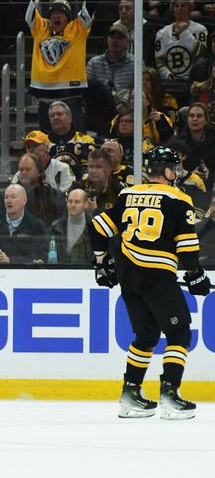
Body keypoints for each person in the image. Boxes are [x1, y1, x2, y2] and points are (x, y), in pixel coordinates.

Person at [90, 146, 209, 420]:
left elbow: (98, 228)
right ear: (168, 171)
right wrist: (195, 274)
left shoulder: (128, 194)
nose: (176, 172)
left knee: (146, 335)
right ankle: (170, 394)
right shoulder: (178, 198)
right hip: (157, 276)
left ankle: (130, 394)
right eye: (174, 168)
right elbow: (187, 244)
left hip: (128, 276)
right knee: (179, 334)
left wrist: (101, 263)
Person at [5, 0, 108, 131]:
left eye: (61, 13)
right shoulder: (40, 27)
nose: (56, 16)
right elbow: (22, 1)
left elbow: (92, 0)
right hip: (44, 98)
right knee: (45, 145)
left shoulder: (77, 28)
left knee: (75, 142)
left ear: (68, 17)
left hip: (71, 97)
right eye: (53, 12)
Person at [155, 0, 208, 87]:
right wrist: (166, 74)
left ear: (190, 9)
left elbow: (202, 53)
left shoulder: (200, 29)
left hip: (193, 80)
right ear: (172, 9)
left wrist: (184, 33)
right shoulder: (162, 33)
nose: (179, 8)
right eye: (176, 6)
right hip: (170, 80)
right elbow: (159, 59)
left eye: (183, 6)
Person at [46, 100, 96, 179]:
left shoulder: (86, 140)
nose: (55, 117)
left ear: (69, 118)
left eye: (59, 114)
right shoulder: (42, 143)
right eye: (52, 115)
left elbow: (89, 169)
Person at [86, 23, 134, 100]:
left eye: (120, 37)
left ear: (127, 42)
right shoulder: (94, 63)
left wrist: (123, 104)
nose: (115, 40)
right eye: (112, 37)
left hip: (127, 107)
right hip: (101, 107)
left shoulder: (135, 63)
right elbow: (88, 91)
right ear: (107, 39)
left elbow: (140, 91)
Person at [48, 188, 93, 264]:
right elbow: (50, 254)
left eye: (77, 202)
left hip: (87, 273)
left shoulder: (95, 227)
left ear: (86, 204)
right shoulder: (56, 227)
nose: (72, 205)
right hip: (62, 273)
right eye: (70, 201)